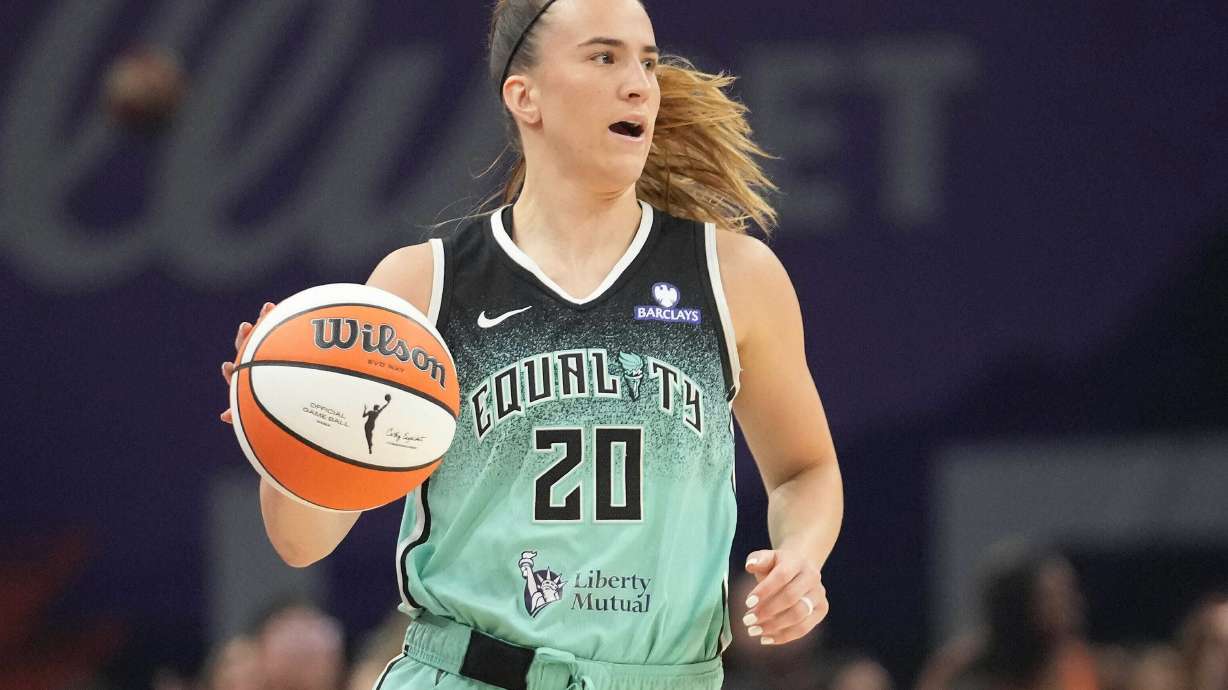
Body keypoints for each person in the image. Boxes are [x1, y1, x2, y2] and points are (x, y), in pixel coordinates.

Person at [219, 0, 843, 688]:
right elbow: (301, 541)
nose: (638, 83)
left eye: (647, 61)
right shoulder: (426, 284)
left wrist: (801, 557)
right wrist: (291, 419)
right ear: (526, 96)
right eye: (604, 57)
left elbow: (804, 471)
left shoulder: (733, 276)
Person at [916, 543, 1099, 690]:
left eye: (1068, 595)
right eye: (1054, 598)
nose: (1072, 607)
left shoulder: (1078, 667)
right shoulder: (960, 673)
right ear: (1017, 606)